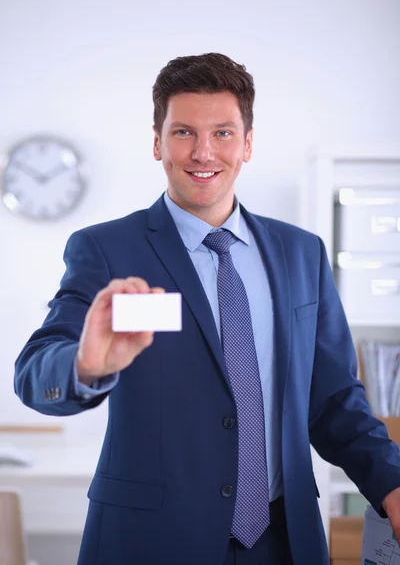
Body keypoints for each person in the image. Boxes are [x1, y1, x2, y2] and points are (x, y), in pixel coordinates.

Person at [14, 53, 400, 565]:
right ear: (157, 143)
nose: (202, 152)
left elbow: (333, 400)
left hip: (285, 540)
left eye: (222, 133)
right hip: (151, 541)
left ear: (247, 144)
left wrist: (392, 486)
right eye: (182, 133)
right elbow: (34, 372)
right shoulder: (107, 249)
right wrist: (86, 365)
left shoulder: (301, 253)